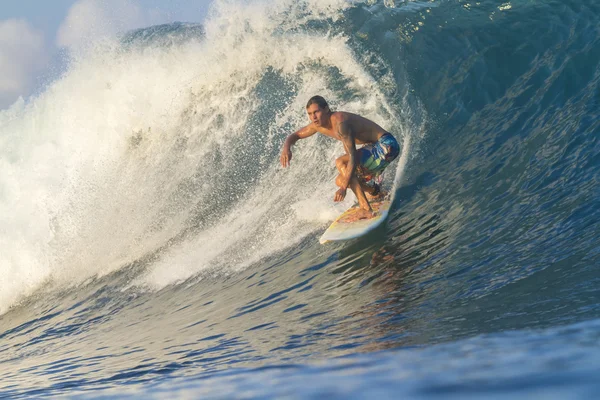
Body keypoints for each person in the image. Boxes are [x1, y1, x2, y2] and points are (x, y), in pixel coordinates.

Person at [280, 95, 400, 219]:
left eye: (316, 112)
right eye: (310, 114)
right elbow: (296, 135)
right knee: (341, 180)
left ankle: (365, 208)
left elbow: (352, 157)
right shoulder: (317, 125)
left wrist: (343, 189)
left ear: (326, 109)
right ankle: (374, 191)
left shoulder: (340, 122)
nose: (313, 117)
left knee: (340, 162)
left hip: (387, 145)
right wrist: (286, 148)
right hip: (376, 150)